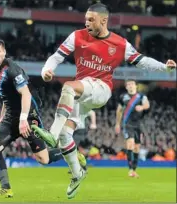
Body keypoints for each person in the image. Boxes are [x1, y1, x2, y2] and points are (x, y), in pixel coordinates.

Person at [31, 2, 176, 199]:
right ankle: (77, 173)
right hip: (81, 94)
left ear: (104, 20)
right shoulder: (77, 36)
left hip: (101, 89)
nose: (87, 23)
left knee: (68, 86)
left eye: (91, 20)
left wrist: (165, 68)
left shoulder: (119, 44)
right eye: (86, 20)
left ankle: (51, 134)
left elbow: (142, 61)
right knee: (67, 134)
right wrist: (46, 70)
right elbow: (56, 57)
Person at [0, 38, 64, 198]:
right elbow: (6, 99)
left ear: (4, 52)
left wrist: (23, 119)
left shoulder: (12, 69)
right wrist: (1, 120)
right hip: (10, 116)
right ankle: (5, 188)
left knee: (43, 159)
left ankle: (69, 152)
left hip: (28, 115)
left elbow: (26, 94)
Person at [115, 80, 150, 178]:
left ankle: (134, 170)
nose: (130, 86)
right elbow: (119, 111)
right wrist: (117, 124)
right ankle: (130, 170)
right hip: (127, 124)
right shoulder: (123, 97)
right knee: (130, 144)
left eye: (132, 84)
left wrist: (142, 107)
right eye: (128, 85)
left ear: (136, 86)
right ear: (126, 87)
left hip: (138, 125)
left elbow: (147, 105)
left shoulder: (142, 96)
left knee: (137, 147)